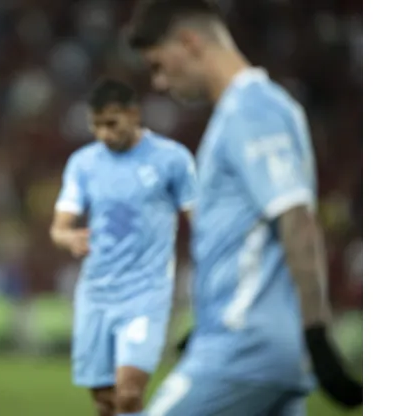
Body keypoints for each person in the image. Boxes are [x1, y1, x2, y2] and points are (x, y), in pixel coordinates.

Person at [127, 1, 362, 414]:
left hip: (243, 349)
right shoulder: (250, 110)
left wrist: (318, 334)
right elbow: (256, 240)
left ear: (189, 42)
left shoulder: (252, 108)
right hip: (256, 347)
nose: (160, 83)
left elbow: (297, 219)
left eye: (158, 65)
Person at [50, 78, 197, 416]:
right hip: (96, 294)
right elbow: (59, 227)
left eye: (111, 123)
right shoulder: (83, 163)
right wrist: (68, 237)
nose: (104, 133)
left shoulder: (172, 159)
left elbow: (201, 220)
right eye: (96, 125)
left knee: (129, 393)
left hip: (147, 294)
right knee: (105, 400)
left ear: (134, 114)